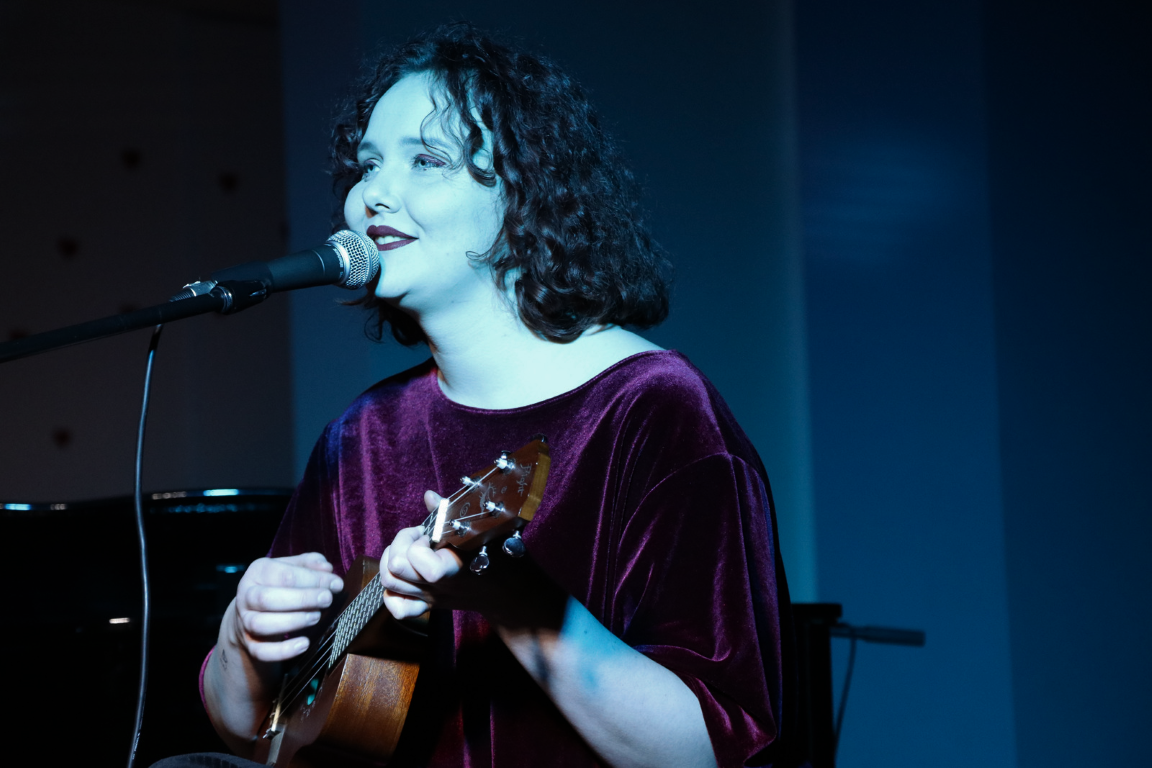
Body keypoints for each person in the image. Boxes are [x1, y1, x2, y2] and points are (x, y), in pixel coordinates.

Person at [172, 22, 798, 768]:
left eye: (426, 160)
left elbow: (716, 747)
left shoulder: (655, 411)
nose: (373, 196)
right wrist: (241, 640)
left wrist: (527, 610)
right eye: (368, 166)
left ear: (525, 193)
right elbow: (254, 732)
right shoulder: (363, 435)